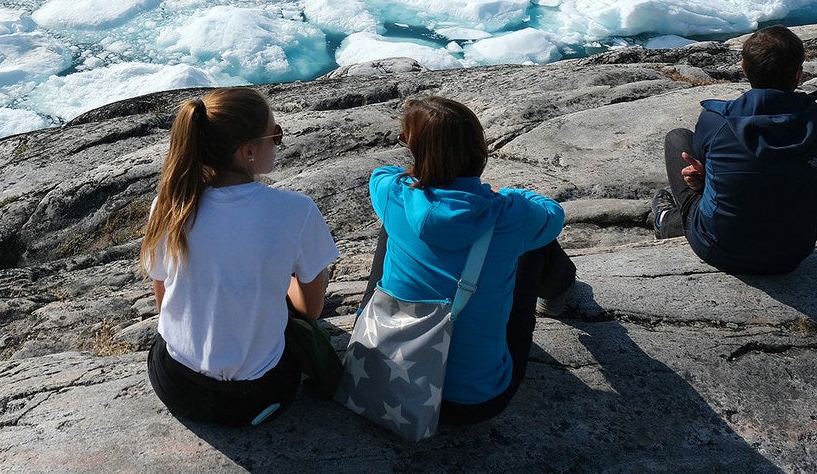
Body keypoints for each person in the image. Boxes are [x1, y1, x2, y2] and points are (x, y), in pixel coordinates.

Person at [367, 96, 576, 426]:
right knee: (532, 241)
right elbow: (553, 214)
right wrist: (509, 195)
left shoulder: (393, 190)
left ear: (415, 150)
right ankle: (559, 290)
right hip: (473, 402)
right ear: (480, 152)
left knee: (393, 223)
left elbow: (385, 174)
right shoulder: (510, 214)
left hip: (390, 383)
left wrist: (418, 157)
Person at [142, 87, 339, 426]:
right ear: (248, 151)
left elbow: (164, 306)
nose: (278, 142)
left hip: (178, 388)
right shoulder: (296, 211)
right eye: (275, 135)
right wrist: (283, 281)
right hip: (259, 398)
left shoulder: (170, 205)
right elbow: (311, 310)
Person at [651, 25, 817, 275]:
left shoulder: (717, 120)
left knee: (678, 138)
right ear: (798, 74)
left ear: (743, 68)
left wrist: (705, 179)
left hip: (718, 249)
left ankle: (667, 220)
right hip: (793, 255)